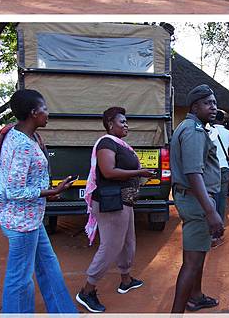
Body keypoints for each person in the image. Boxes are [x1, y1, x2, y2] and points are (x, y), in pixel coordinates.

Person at [0, 89, 78, 314]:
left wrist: (50, 191)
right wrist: (50, 192)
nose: (47, 113)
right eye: (44, 109)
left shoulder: (21, 135)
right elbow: (13, 190)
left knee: (48, 266)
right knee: (20, 280)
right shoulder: (22, 144)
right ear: (33, 113)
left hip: (31, 218)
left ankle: (63, 312)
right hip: (21, 222)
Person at [76, 107, 155, 313]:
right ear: (110, 123)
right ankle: (87, 290)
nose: (126, 125)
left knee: (128, 241)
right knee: (111, 245)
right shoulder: (106, 142)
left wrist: (139, 176)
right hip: (110, 202)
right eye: (122, 121)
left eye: (127, 121)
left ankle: (126, 279)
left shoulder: (121, 145)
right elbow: (108, 172)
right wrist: (139, 171)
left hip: (124, 200)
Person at [170, 85, 223, 313]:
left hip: (193, 200)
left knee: (196, 255)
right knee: (191, 264)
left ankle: (196, 296)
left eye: (214, 102)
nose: (214, 107)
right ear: (195, 106)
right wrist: (210, 211)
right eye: (208, 103)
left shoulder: (190, 126)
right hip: (197, 202)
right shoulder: (194, 131)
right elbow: (194, 173)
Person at [209, 110, 229, 247]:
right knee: (221, 200)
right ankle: (217, 233)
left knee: (209, 198)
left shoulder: (207, 131)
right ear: (223, 120)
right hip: (224, 169)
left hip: (209, 170)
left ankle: (208, 230)